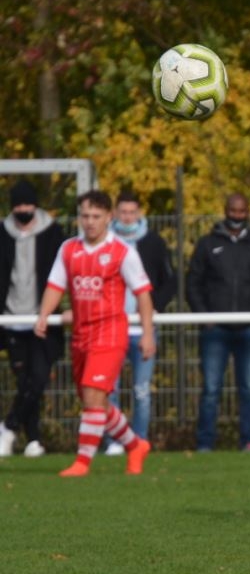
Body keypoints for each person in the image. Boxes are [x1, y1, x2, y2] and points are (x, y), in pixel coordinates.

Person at [34, 190, 153, 477]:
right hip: (81, 335)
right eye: (85, 216)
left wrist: (147, 333)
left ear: (109, 217)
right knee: (94, 402)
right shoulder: (69, 249)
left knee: (93, 396)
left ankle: (82, 462)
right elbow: (55, 285)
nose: (89, 222)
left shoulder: (123, 252)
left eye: (96, 216)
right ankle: (135, 445)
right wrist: (44, 315)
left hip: (110, 333)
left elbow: (143, 294)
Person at [186, 193, 250, 452]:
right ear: (225, 210)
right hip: (215, 330)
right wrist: (205, 317)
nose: (237, 216)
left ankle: (248, 441)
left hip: (249, 330)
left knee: (249, 389)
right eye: (233, 211)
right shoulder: (207, 244)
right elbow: (193, 283)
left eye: (241, 211)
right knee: (211, 390)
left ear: (248, 211)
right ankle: (205, 444)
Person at [103, 190, 177, 456]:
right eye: (123, 212)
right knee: (108, 391)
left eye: (132, 212)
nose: (127, 217)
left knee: (142, 391)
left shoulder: (153, 243)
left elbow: (170, 280)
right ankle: (113, 442)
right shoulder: (104, 243)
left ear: (139, 213)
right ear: (115, 213)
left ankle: (140, 441)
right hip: (111, 329)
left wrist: (154, 307)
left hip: (142, 329)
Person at [0, 179, 65, 458]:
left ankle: (9, 427)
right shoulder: (3, 233)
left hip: (43, 319)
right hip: (11, 319)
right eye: (18, 205)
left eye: (28, 204)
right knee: (24, 381)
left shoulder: (53, 233)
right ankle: (34, 439)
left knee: (38, 378)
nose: (23, 210)